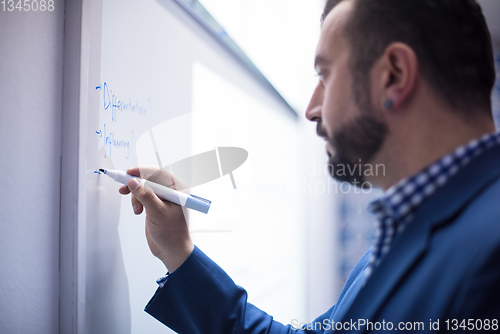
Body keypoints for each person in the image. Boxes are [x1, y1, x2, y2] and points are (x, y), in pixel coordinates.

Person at [119, 0, 500, 332]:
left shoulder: (489, 254)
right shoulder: (403, 232)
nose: (312, 109)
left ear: (394, 75)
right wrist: (179, 252)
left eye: (325, 75)